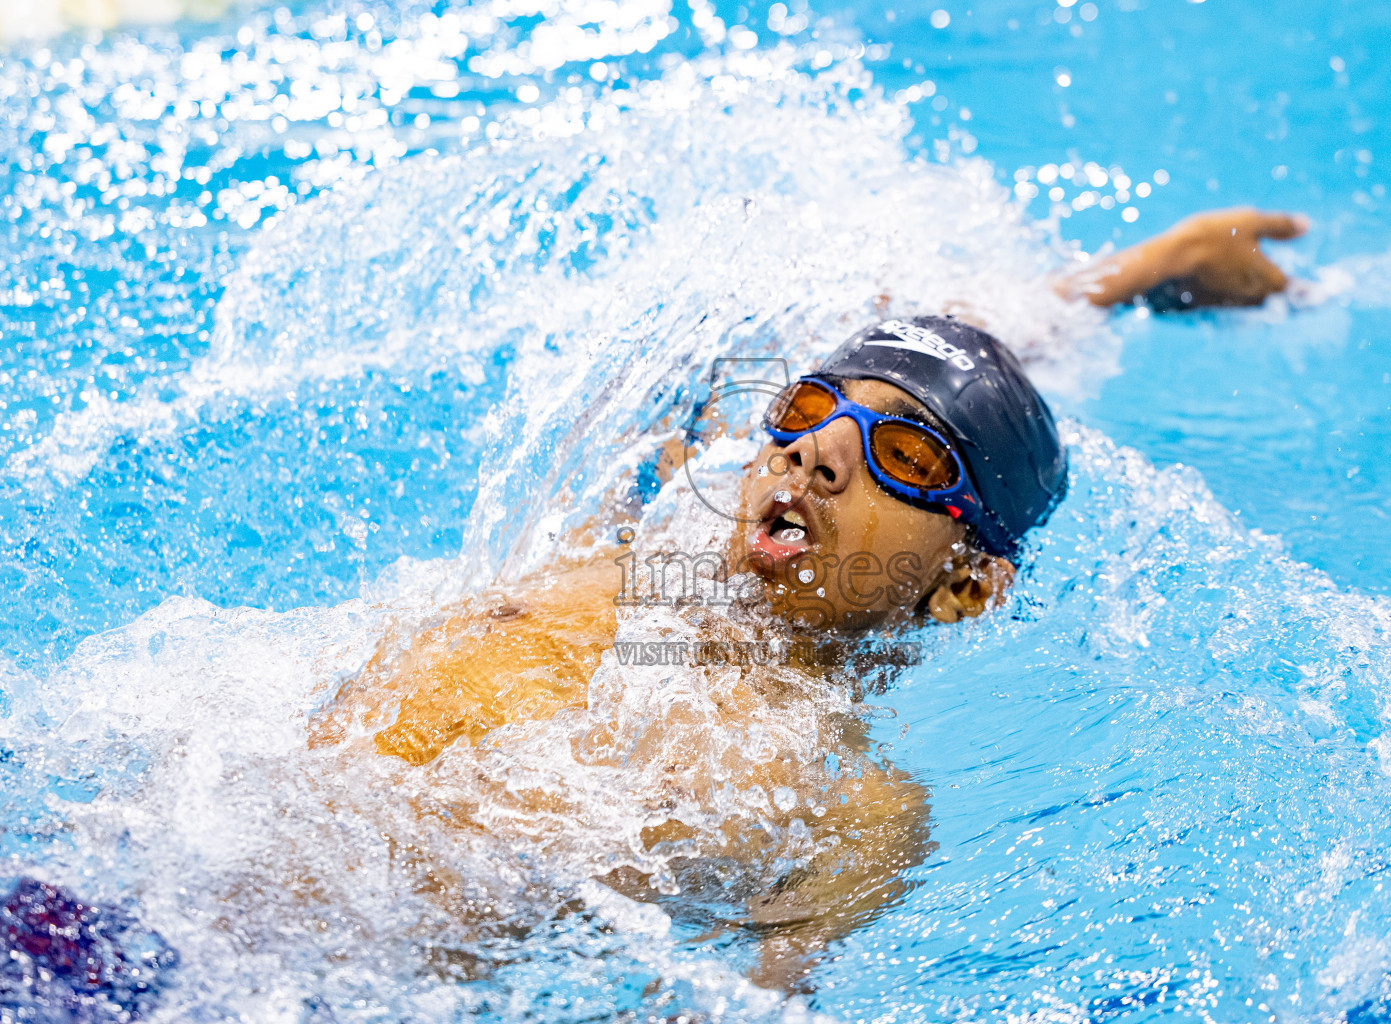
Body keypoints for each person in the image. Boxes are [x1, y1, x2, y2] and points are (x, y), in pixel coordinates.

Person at [310, 206, 1308, 990]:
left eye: (905, 455)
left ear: (963, 587)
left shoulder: (853, 806)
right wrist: (1129, 277)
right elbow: (936, 339)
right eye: (806, 410)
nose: (818, 448)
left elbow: (757, 994)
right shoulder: (626, 544)